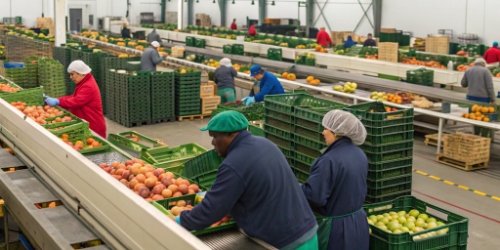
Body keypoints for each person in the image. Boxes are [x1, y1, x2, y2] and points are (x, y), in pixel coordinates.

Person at [178, 111, 319, 249]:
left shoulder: (234, 164)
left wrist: (181, 221)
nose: (213, 142)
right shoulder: (266, 144)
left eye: (215, 136)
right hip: (308, 232)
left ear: (231, 135)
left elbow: (212, 209)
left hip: (286, 242)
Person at [302, 110, 369, 250]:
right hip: (358, 224)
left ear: (337, 133)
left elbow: (315, 197)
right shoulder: (359, 154)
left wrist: (295, 187)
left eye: (326, 129)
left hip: (336, 230)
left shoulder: (329, 160)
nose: (323, 132)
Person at [44, 60, 107, 138]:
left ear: (79, 73)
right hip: (87, 123)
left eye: (72, 74)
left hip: (93, 126)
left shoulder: (88, 86)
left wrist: (58, 101)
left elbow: (76, 101)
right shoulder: (84, 82)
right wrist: (58, 99)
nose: (70, 77)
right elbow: (74, 97)